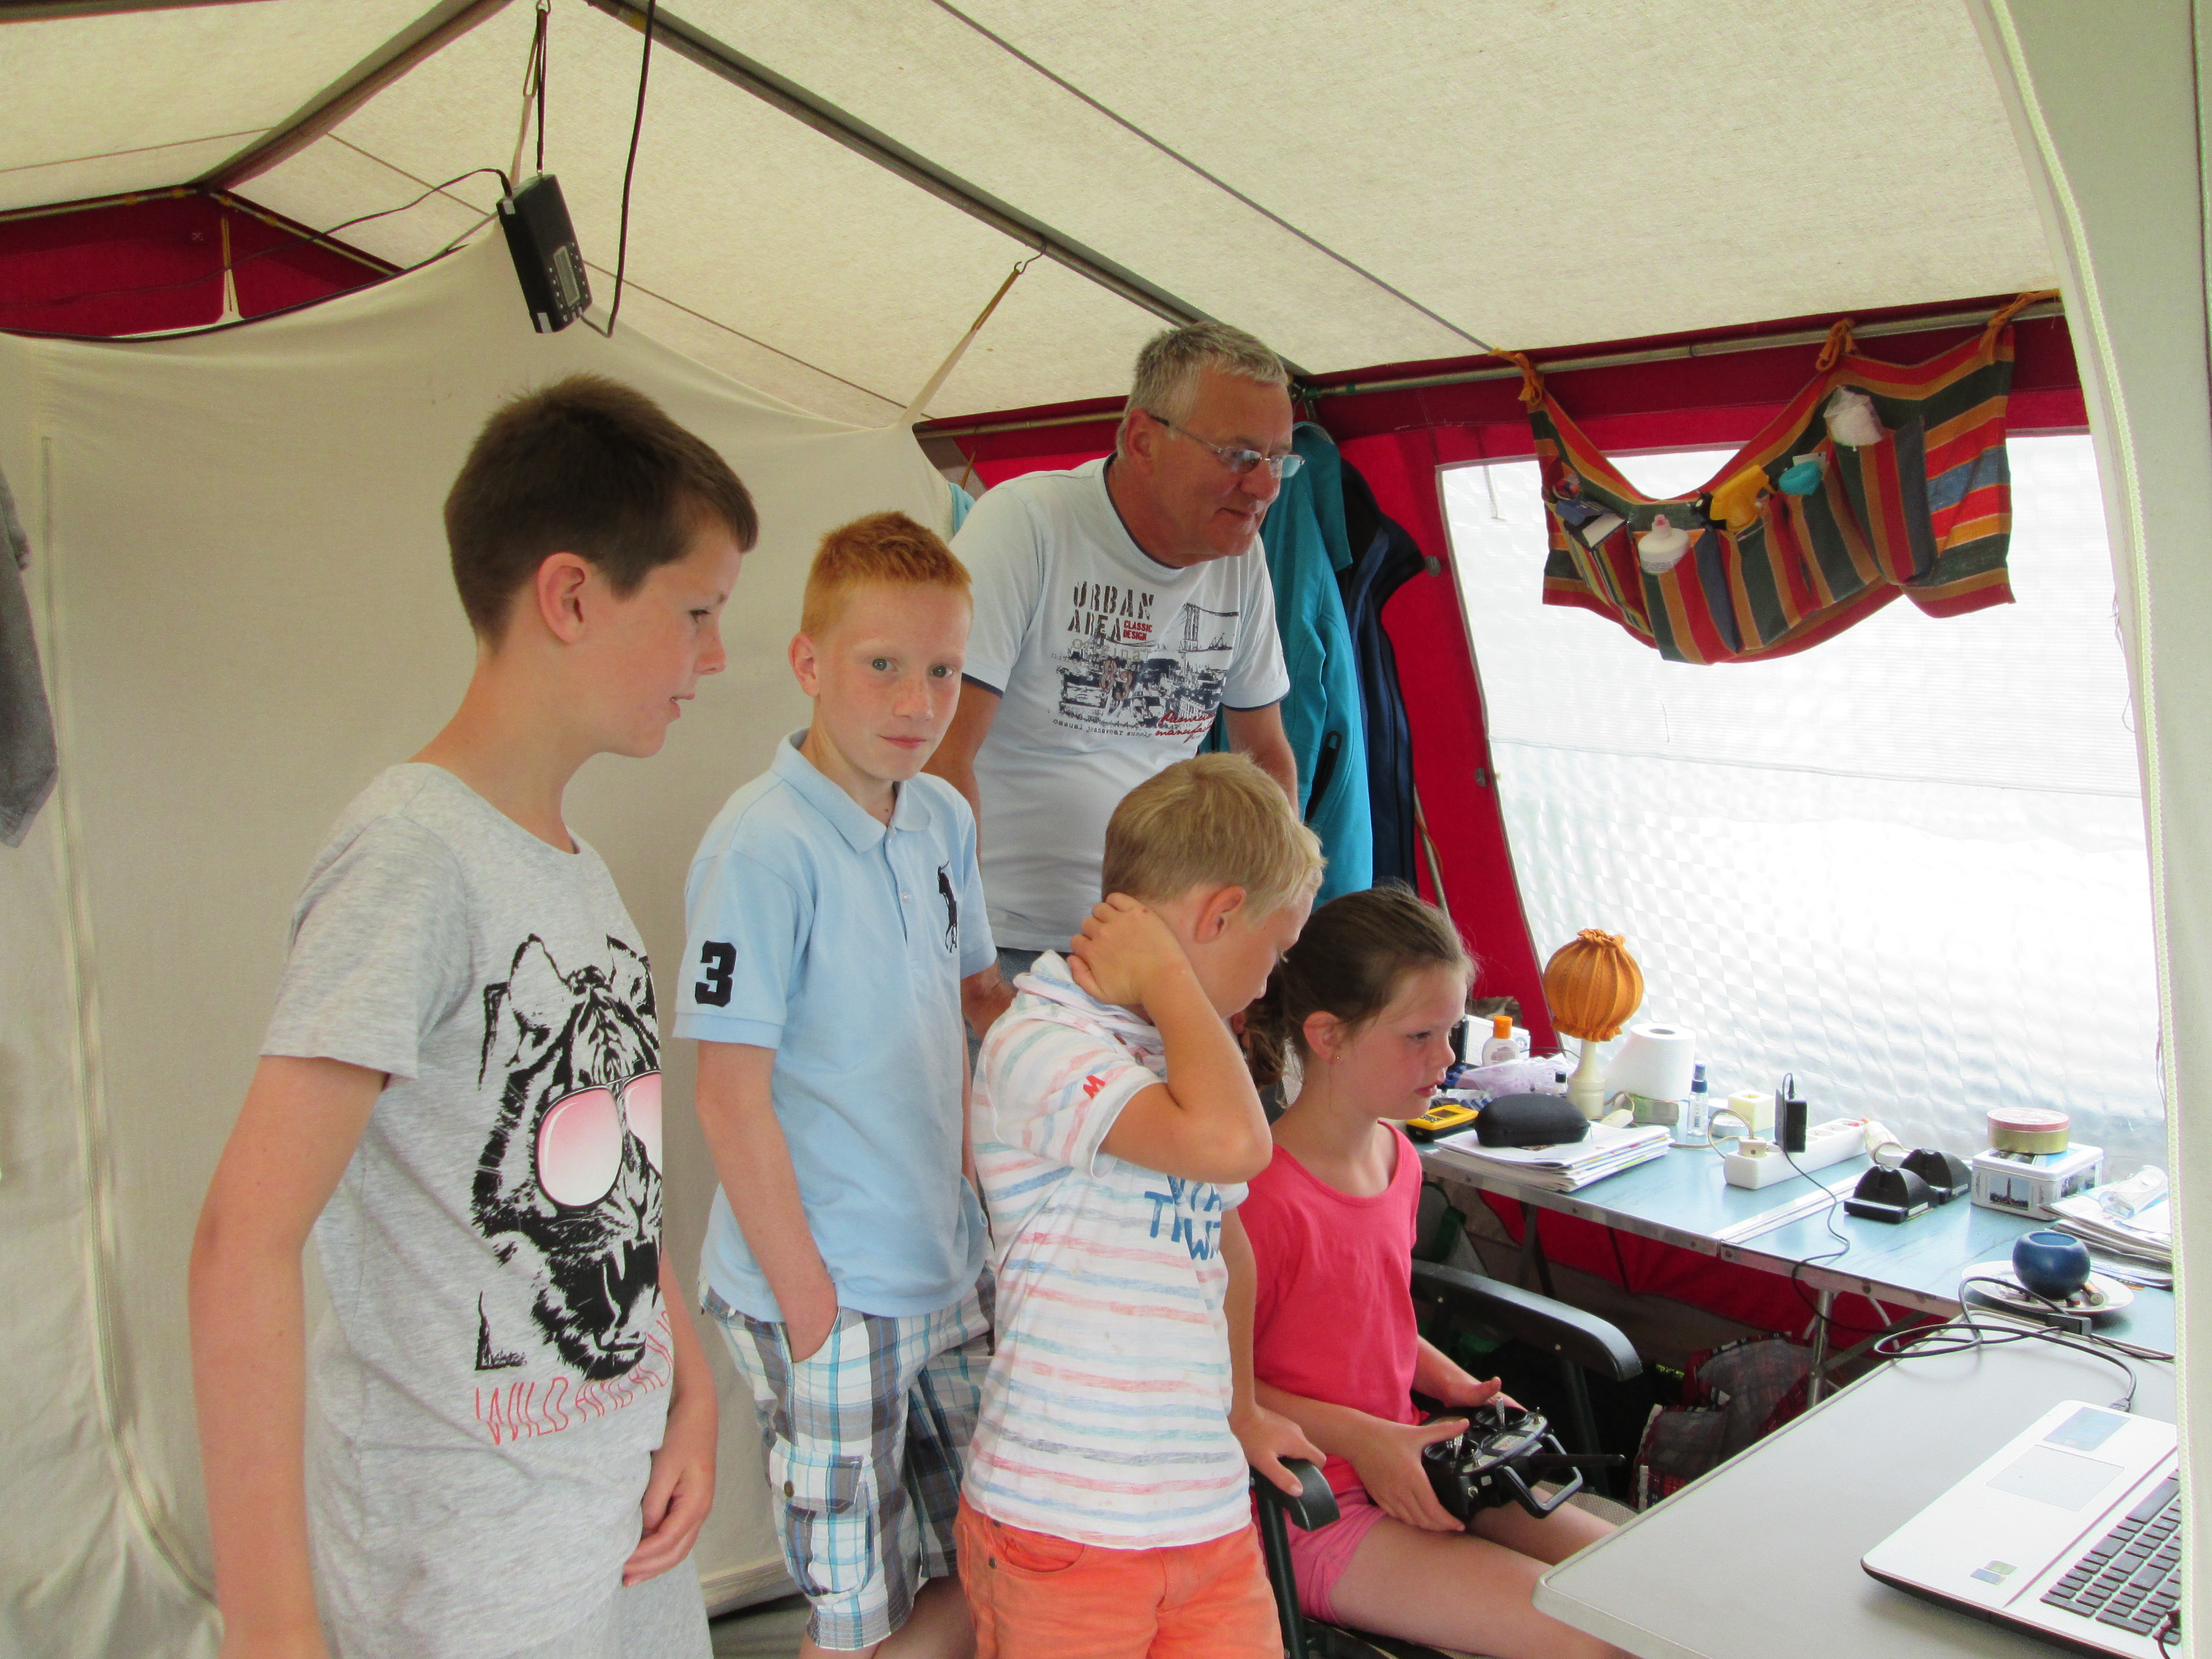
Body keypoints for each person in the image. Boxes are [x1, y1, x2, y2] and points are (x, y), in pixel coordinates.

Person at [188, 375, 754, 1659]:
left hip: (620, 1531)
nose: (717, 658)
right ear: (572, 597)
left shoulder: (579, 875)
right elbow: (241, 1243)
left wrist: (691, 1391)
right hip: (465, 1573)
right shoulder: (410, 857)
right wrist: (270, 1628)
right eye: (698, 613)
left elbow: (615, 1179)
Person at [679, 512, 998, 1659]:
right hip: (830, 1289)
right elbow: (727, 1098)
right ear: (809, 663)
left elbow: (971, 1009)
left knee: (1002, 1563)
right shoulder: (762, 847)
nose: (918, 702)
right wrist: (812, 1314)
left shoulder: (944, 818)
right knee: (855, 1616)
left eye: (944, 671)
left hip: (949, 1262)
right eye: (883, 666)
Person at [957, 753, 1326, 1659]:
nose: (1269, 981)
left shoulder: (1185, 1051)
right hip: (1064, 1526)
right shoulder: (1039, 1042)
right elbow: (1235, 1145)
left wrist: (1241, 1409)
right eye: (1274, 952)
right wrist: (1168, 974)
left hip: (1203, 1519)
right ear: (1219, 916)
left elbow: (1225, 1246)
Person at [1236, 886, 1626, 1659]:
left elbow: (1364, 1320)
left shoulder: (1400, 1158)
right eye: (1420, 1036)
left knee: (1653, 1593)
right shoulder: (1260, 1198)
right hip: (1311, 1508)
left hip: (1416, 1460)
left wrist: (1450, 1380)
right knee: (1599, 1639)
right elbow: (1223, 1388)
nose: (1446, 1059)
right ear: (1327, 1036)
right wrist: (1367, 1439)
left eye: (1451, 1032)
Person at [927, 322, 1304, 1035]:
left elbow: (1265, 756)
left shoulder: (1241, 560)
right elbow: (942, 756)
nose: (1264, 486)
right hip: (1008, 948)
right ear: (1142, 440)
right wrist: (972, 972)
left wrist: (1267, 936)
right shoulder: (1030, 523)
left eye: (1279, 460)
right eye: (1239, 455)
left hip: (1158, 956)